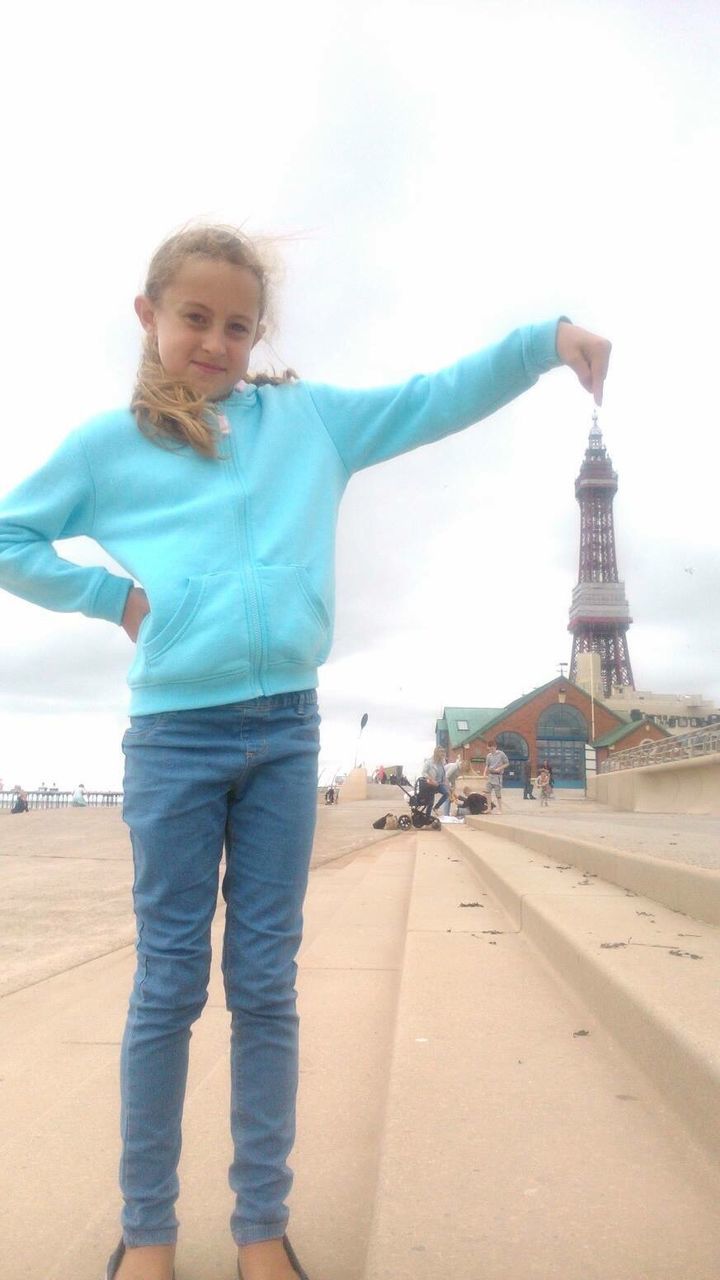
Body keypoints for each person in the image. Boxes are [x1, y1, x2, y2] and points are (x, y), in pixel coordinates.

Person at [0, 221, 610, 1280]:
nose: (216, 340)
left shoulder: (309, 421)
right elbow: (11, 534)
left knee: (267, 983)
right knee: (168, 983)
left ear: (257, 333)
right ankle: (146, 1230)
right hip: (173, 739)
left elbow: (432, 397)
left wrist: (541, 340)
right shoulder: (108, 445)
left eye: (238, 323)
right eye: (195, 316)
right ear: (149, 316)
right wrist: (117, 597)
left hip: (286, 733)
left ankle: (259, 1226)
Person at [484, 739, 510, 813]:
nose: (491, 750)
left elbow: (507, 763)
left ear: (495, 747)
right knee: (487, 792)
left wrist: (499, 768)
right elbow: (487, 765)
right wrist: (484, 773)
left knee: (497, 793)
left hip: (497, 776)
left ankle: (500, 809)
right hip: (490, 775)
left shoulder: (501, 754)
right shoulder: (488, 756)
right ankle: (489, 808)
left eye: (492, 748)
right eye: (489, 749)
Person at [422, 746, 449, 816]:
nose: (443, 756)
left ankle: (436, 807)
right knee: (430, 803)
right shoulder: (429, 762)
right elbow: (424, 772)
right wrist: (431, 779)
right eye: (442, 754)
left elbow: (443, 773)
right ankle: (427, 817)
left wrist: (446, 783)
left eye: (444, 754)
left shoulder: (442, 763)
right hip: (431, 784)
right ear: (437, 753)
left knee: (446, 793)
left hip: (439, 783)